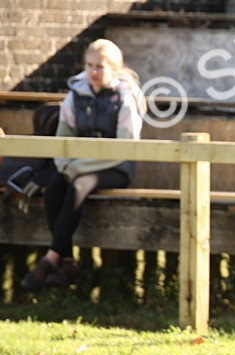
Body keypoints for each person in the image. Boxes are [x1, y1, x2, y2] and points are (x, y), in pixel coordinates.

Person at [20, 39, 144, 292]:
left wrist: (76, 168)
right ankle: (66, 262)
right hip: (77, 166)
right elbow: (62, 139)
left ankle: (51, 258)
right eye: (89, 65)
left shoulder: (125, 99)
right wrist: (65, 165)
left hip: (115, 167)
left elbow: (125, 147)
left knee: (77, 187)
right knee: (54, 187)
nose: (94, 72)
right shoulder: (75, 95)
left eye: (100, 66)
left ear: (114, 68)